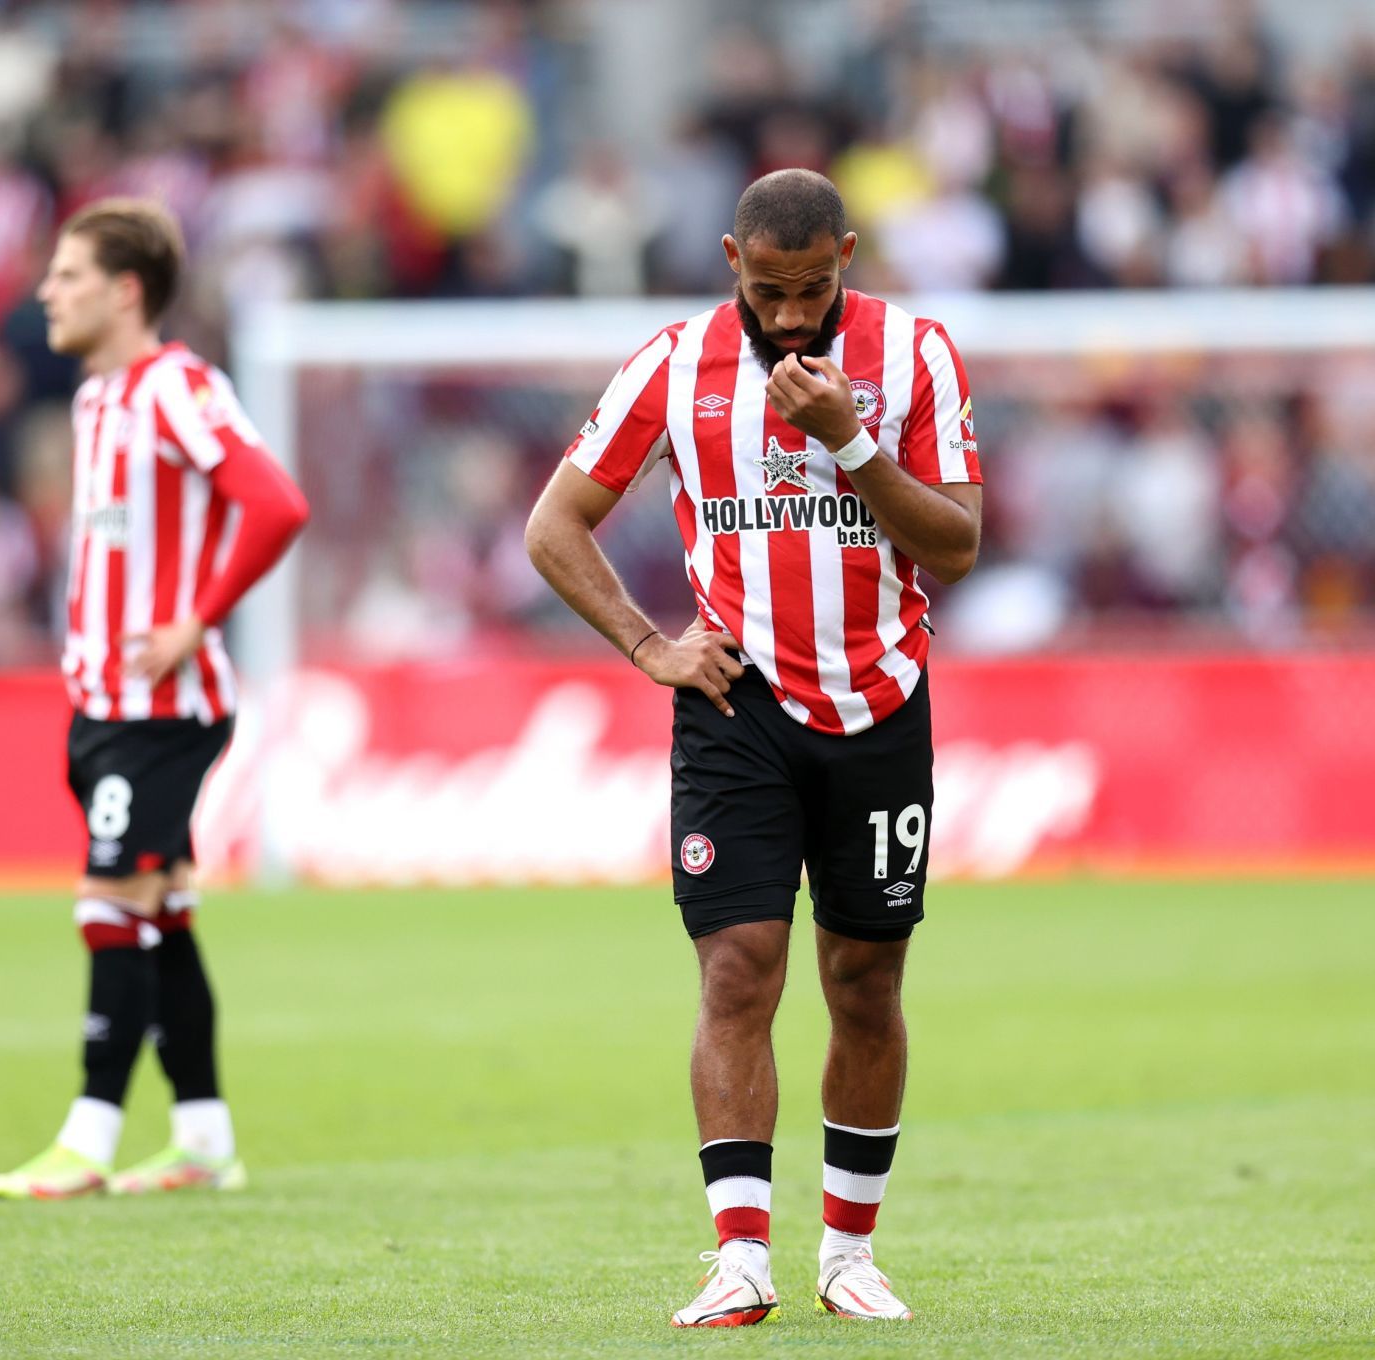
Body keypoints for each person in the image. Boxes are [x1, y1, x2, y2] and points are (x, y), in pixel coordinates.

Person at [524, 169, 983, 1326]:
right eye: (769, 290)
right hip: (738, 705)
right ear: (732, 257)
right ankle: (740, 1257)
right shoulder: (674, 362)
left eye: (814, 289)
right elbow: (554, 523)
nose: (790, 316)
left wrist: (853, 444)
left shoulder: (916, 353)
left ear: (849, 255)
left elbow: (961, 542)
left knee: (865, 981)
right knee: (738, 967)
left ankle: (849, 1253)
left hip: (881, 702)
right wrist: (647, 643)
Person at [0, 199, 308, 1200]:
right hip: (101, 703)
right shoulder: (95, 399)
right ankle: (205, 1137)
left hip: (162, 707)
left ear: (127, 290)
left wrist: (194, 619)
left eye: (70, 274)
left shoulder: (177, 386)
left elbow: (276, 502)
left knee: (109, 904)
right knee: (161, 912)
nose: (48, 290)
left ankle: (88, 1137)